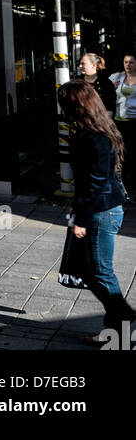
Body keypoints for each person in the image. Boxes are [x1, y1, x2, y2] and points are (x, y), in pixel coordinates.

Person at [58, 78, 136, 344]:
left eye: (64, 105)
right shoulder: (95, 131)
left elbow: (96, 182)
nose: (62, 111)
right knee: (90, 269)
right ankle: (115, 328)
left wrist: (80, 218)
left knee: (100, 271)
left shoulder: (95, 137)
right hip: (100, 208)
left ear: (76, 106)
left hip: (101, 211)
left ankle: (125, 321)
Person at [110, 53, 136, 189]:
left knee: (134, 152)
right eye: (126, 62)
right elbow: (104, 89)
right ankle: (123, 183)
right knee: (120, 152)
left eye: (131, 62)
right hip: (119, 121)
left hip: (135, 122)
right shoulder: (116, 77)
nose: (128, 65)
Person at [78, 52, 117, 116]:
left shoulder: (106, 84)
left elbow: (111, 107)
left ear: (93, 65)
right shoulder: (77, 83)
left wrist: (103, 120)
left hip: (101, 121)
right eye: (80, 63)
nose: (80, 66)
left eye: (83, 64)